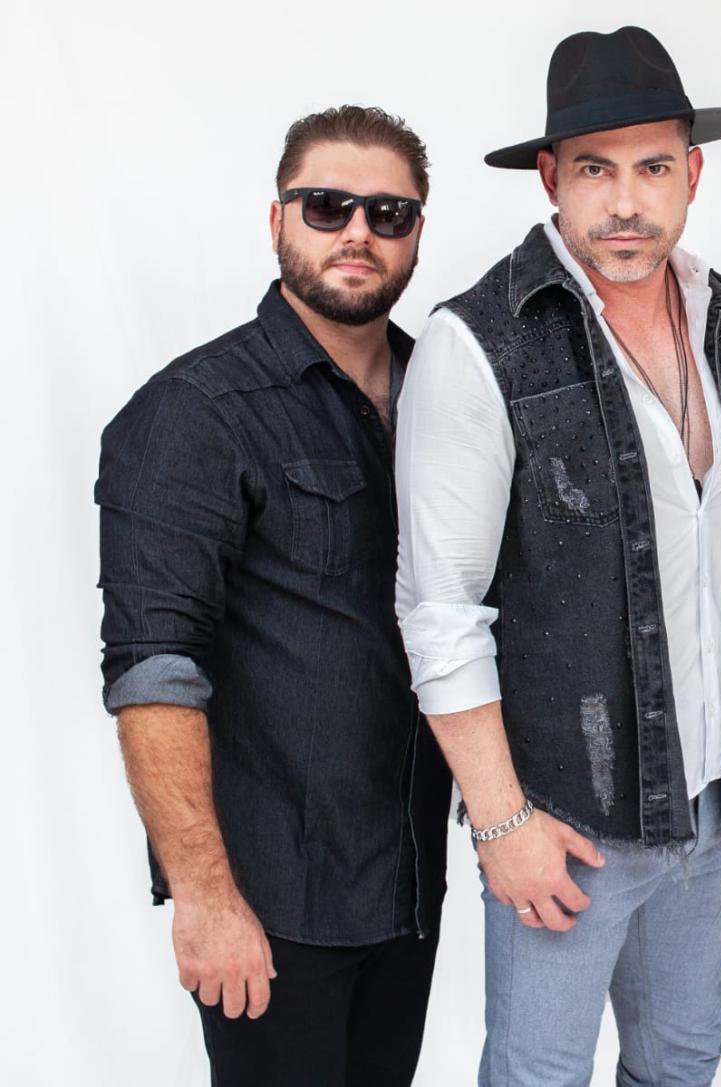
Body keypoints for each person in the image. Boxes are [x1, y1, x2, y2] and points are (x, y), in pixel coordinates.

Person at [393, 26, 721, 1086]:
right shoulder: (479, 341)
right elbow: (440, 610)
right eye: (594, 170)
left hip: (712, 802)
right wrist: (502, 821)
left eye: (652, 168)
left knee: (683, 1059)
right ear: (551, 178)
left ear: (693, 174)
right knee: (540, 1074)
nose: (626, 202)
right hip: (565, 819)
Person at [96, 105, 450, 1085]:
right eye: (327, 205)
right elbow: (152, 669)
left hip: (407, 883)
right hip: (272, 899)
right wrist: (205, 897)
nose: (357, 233)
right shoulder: (196, 411)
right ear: (277, 219)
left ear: (417, 232)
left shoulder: (446, 396)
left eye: (388, 213)